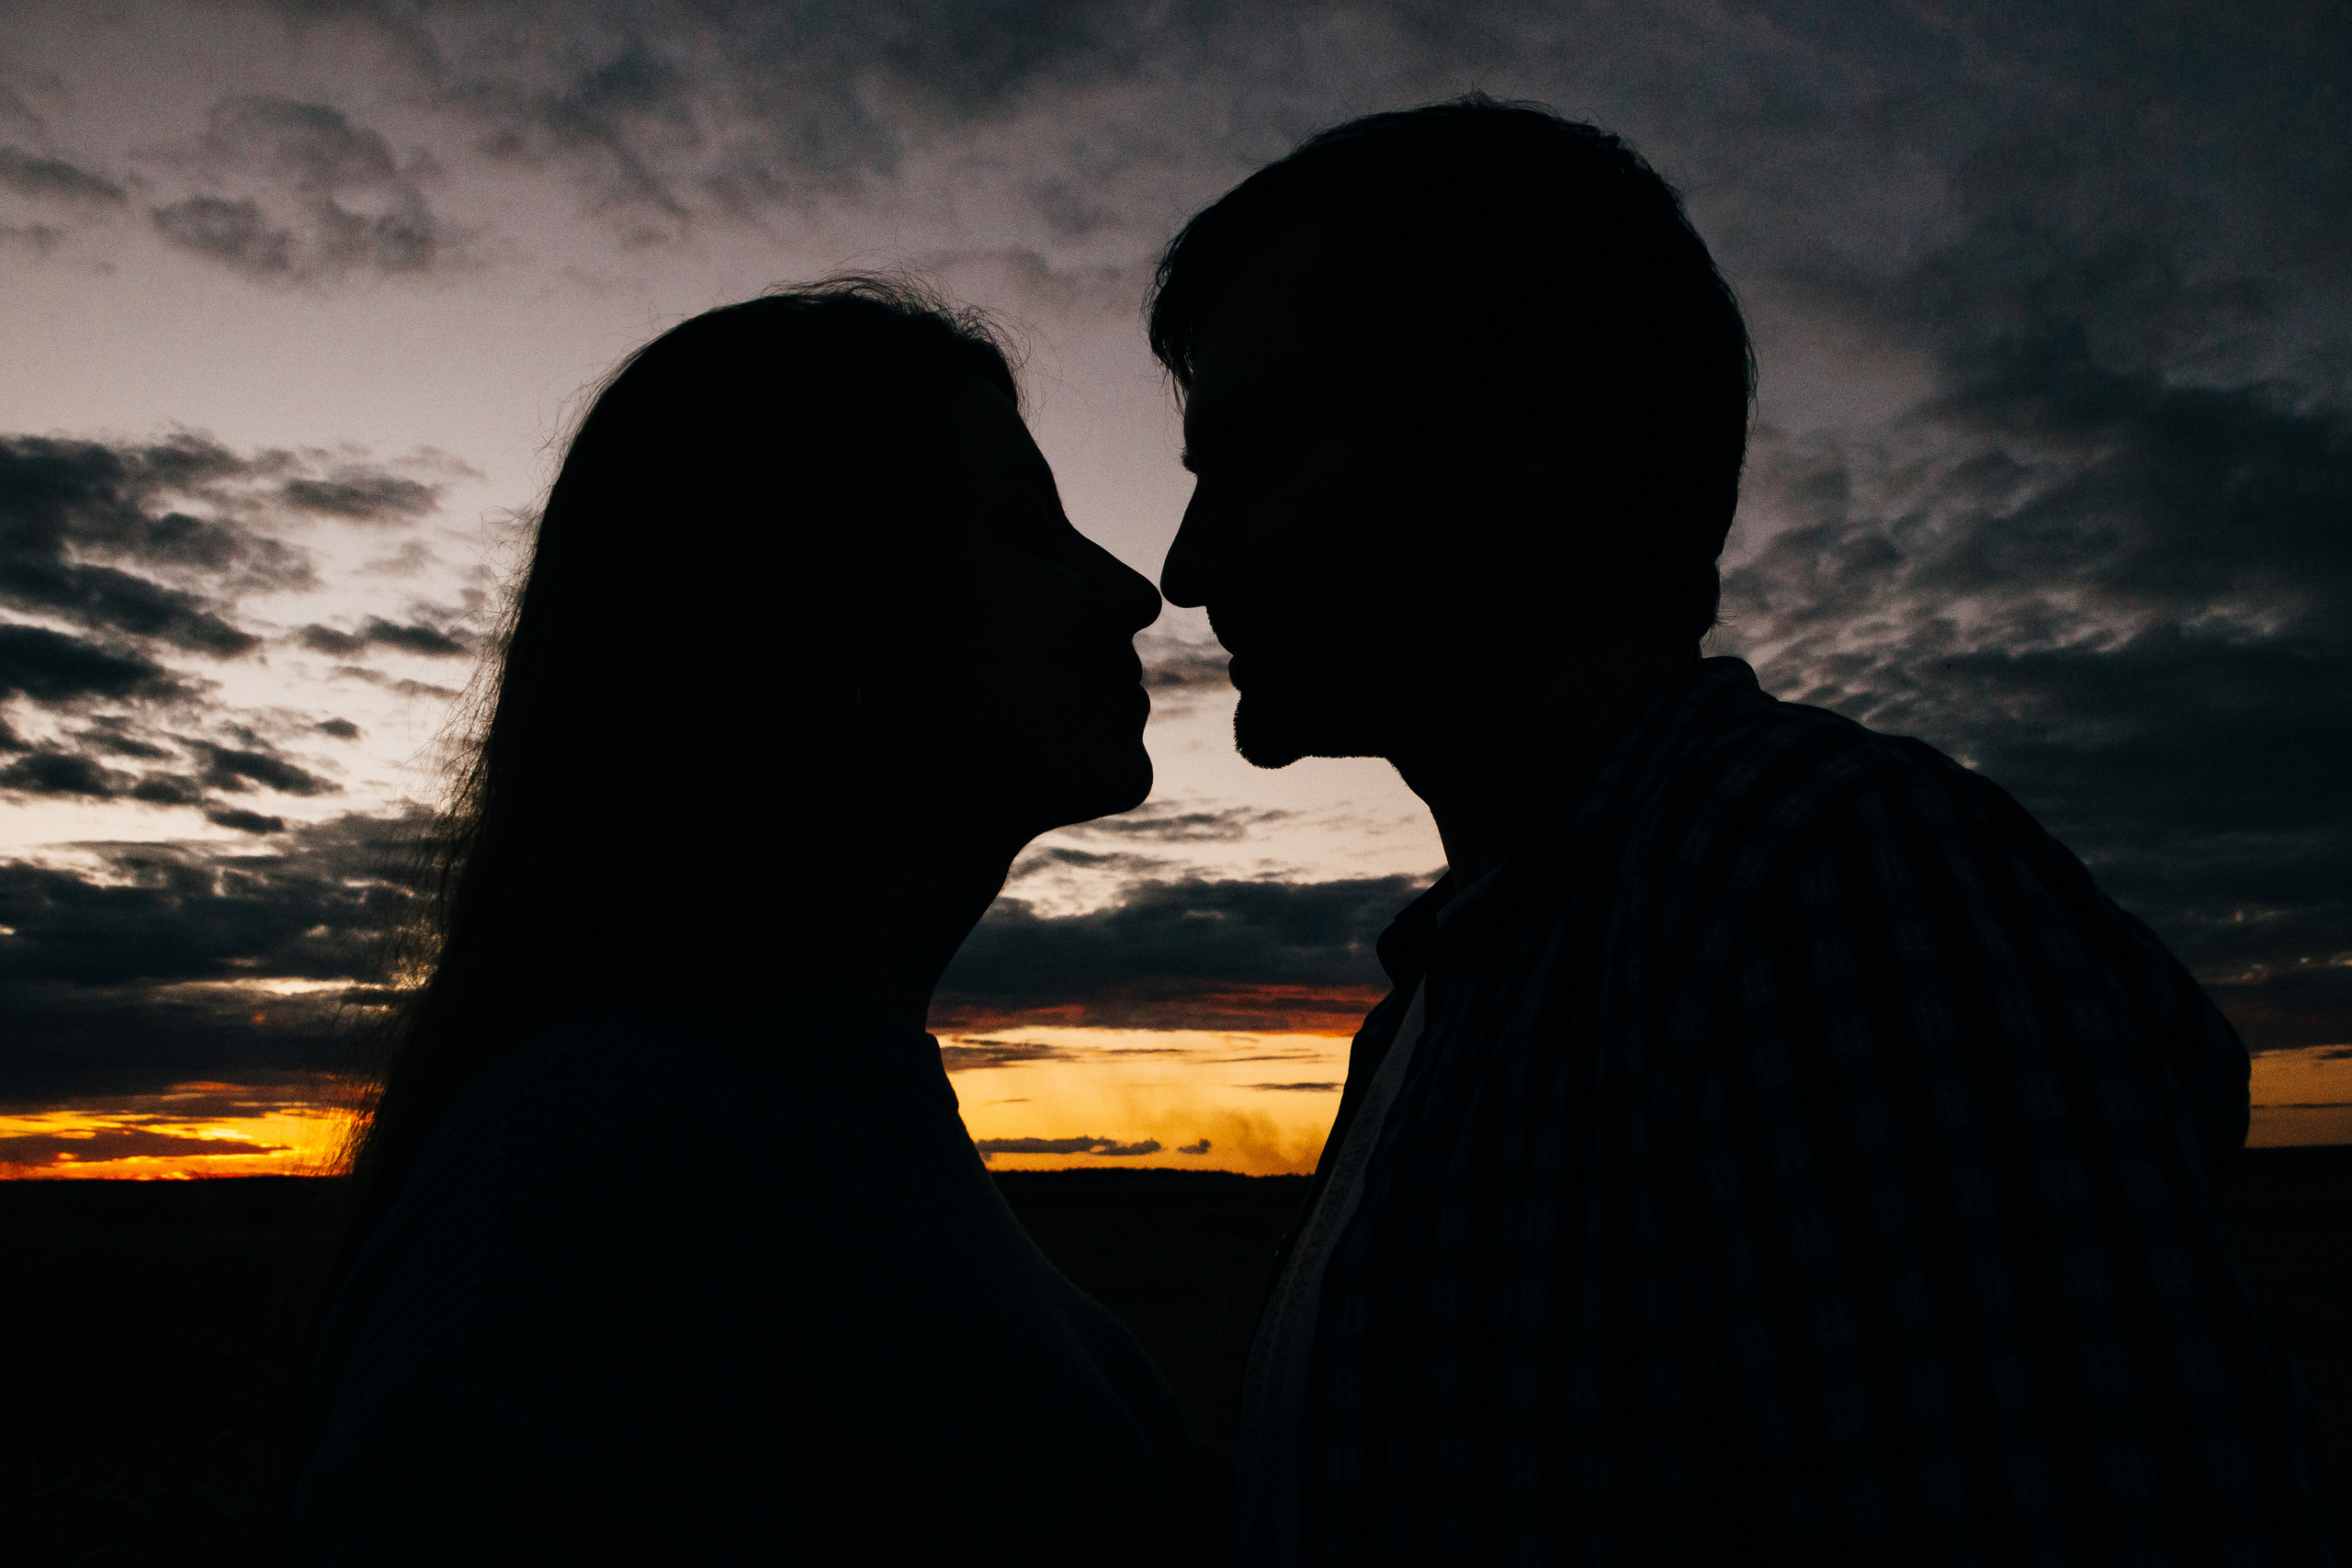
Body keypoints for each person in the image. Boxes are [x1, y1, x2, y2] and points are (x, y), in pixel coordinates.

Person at [1150, 97, 2332, 1564]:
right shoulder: (1454, 997)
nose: (1186, 565)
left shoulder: (1826, 887)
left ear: (1527, 442)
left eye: (1254, 455)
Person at [290, 281, 1216, 1562]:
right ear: (833, 610)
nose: (1128, 590)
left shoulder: (783, 1114)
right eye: (1025, 530)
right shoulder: (590, 1172)